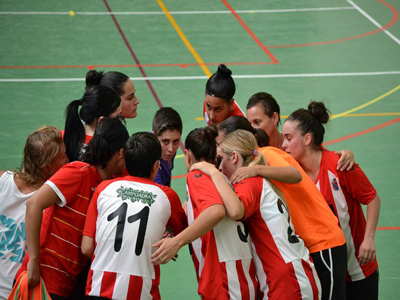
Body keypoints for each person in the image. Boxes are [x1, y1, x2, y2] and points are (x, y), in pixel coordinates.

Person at [217, 117, 347, 300]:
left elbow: (294, 174)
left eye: (221, 144)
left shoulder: (264, 156)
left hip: (323, 241)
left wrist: (257, 170)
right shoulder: (249, 172)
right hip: (306, 246)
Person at [191, 130, 321, 299]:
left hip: (286, 280)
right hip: (294, 272)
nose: (220, 166)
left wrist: (213, 173)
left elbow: (236, 211)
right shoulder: (259, 180)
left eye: (220, 159)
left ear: (235, 157)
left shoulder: (249, 182)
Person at [16, 118, 129, 300]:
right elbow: (33, 204)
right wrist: (34, 262)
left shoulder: (106, 186)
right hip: (42, 280)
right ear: (121, 153)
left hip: (64, 284)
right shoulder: (78, 172)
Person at [282, 101, 380, 300]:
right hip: (324, 274)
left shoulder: (339, 165)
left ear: (307, 138)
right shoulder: (294, 175)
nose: (283, 145)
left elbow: (372, 198)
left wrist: (369, 238)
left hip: (358, 271)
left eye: (288, 138)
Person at [151, 127, 258, 300]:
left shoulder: (197, 175)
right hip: (240, 276)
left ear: (187, 154)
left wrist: (176, 242)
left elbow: (215, 211)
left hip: (224, 281)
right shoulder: (221, 179)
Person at [81, 132, 187, 300]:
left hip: (97, 290)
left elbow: (86, 248)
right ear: (156, 166)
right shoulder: (167, 196)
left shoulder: (103, 189)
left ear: (125, 160)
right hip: (141, 293)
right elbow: (183, 230)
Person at [0, 126, 68, 299]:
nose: (68, 161)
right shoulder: (50, 203)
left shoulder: (2, 180)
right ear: (47, 168)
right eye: (63, 157)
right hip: (16, 292)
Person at [246, 92, 354, 171]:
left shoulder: (296, 145)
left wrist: (346, 154)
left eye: (257, 122)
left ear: (274, 118)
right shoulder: (254, 153)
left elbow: (319, 156)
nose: (252, 129)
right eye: (249, 123)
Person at [64, 85, 122, 162]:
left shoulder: (67, 137)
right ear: (101, 120)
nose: (121, 120)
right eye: (117, 117)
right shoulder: (110, 146)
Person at [152, 107, 182, 187]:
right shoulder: (150, 164)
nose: (171, 149)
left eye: (175, 141)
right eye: (165, 142)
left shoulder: (166, 151)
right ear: (154, 136)